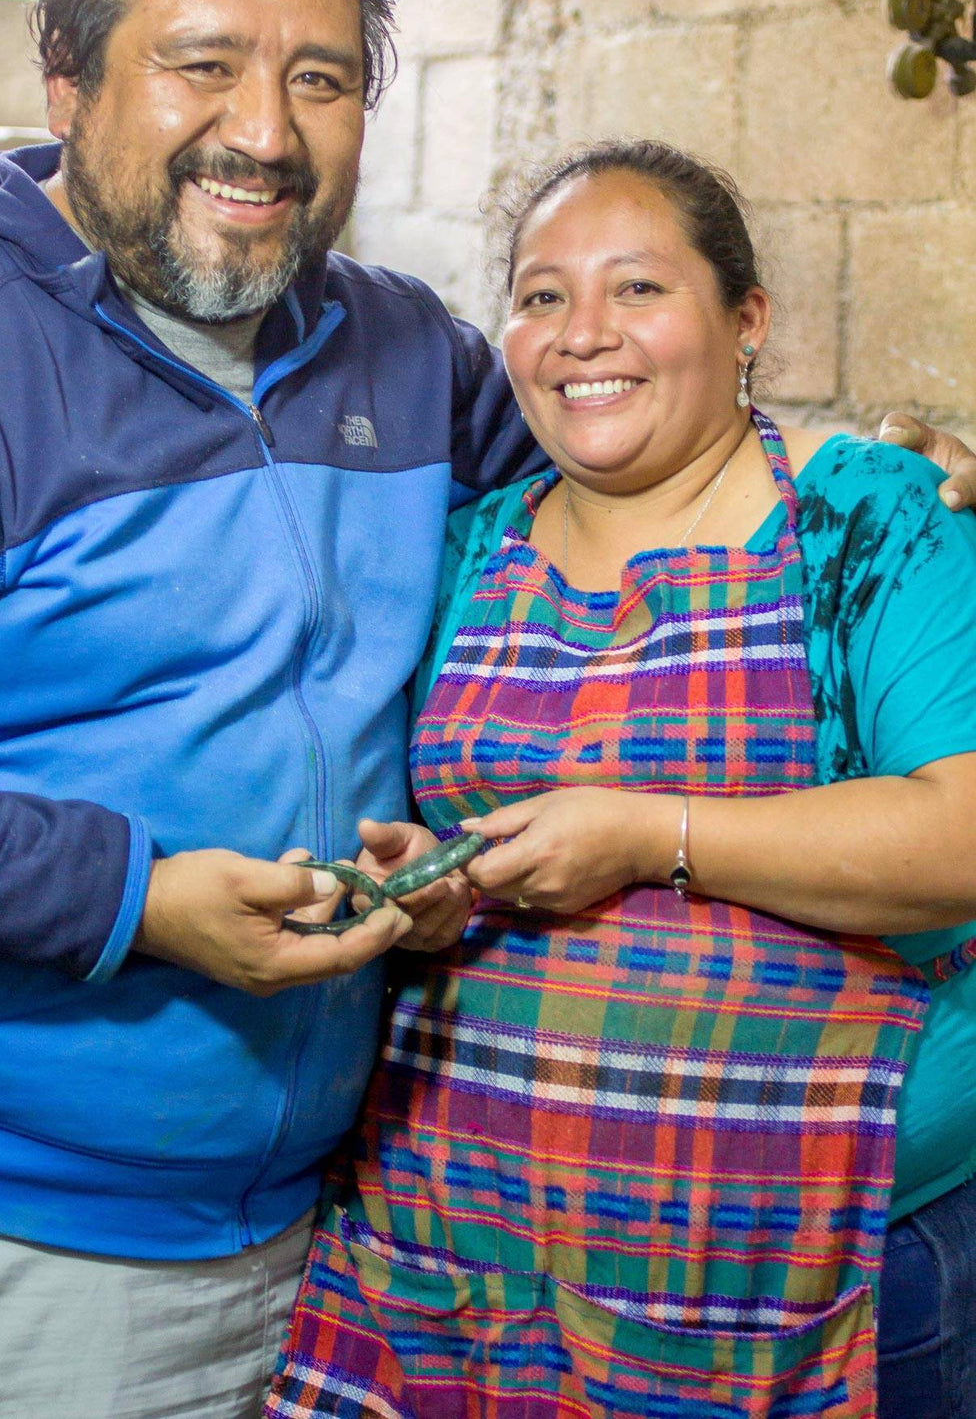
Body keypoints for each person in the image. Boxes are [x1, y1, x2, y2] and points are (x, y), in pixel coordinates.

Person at [0, 0, 543, 1419]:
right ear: (66, 80)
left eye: (318, 79)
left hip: (344, 1221)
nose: (264, 132)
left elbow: (594, 542)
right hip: (10, 1244)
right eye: (201, 67)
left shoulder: (404, 344)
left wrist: (868, 498)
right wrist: (139, 899)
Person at [267, 140, 976, 1419]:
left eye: (638, 289)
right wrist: (421, 894)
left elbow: (959, 837)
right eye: (542, 297)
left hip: (814, 1268)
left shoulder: (868, 517)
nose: (584, 334)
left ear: (745, 319)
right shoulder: (468, 550)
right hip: (457, 1256)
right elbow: (425, 833)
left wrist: (649, 836)